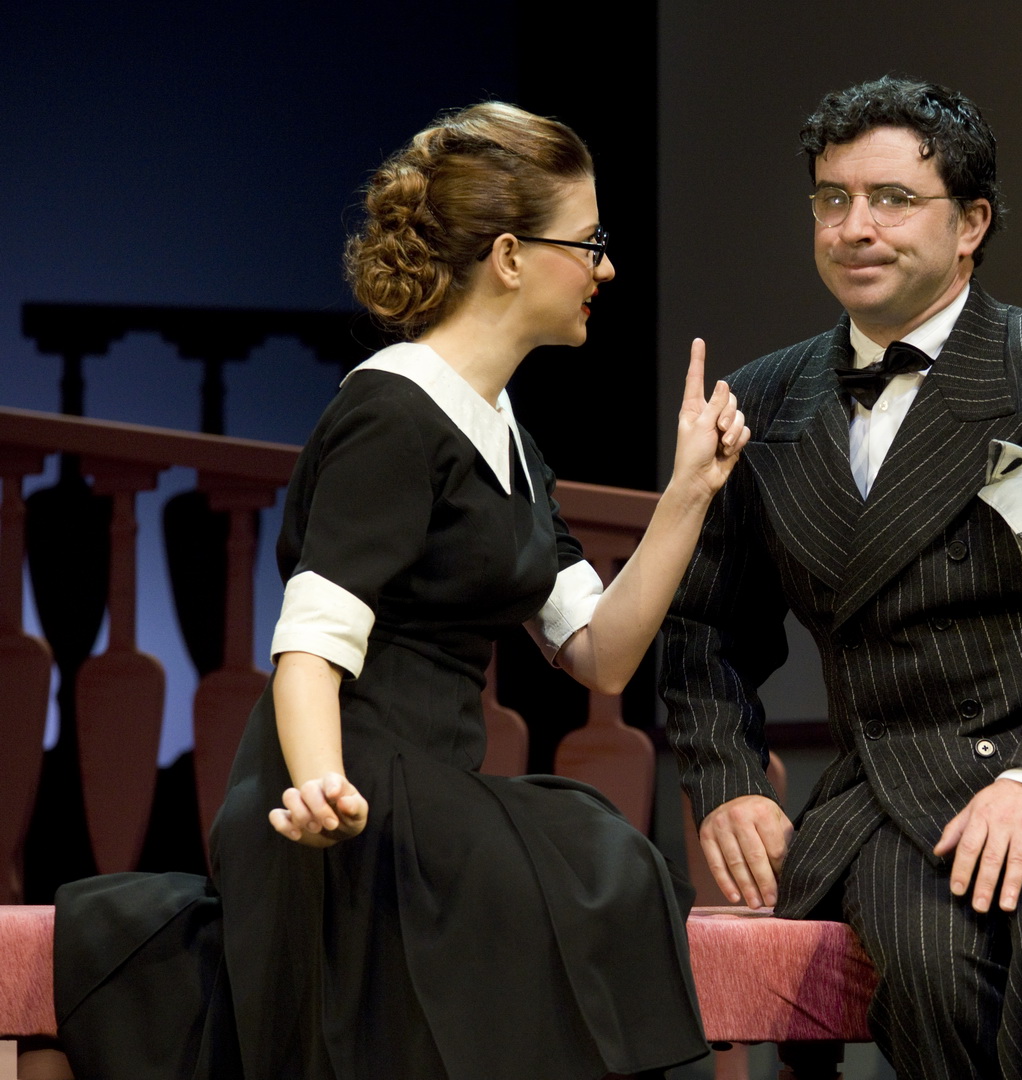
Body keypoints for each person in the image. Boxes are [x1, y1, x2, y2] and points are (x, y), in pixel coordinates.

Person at [54, 102, 746, 1080]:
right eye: (589, 243)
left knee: (606, 862)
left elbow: (601, 652)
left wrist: (687, 496)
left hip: (431, 796)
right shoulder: (393, 412)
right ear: (510, 256)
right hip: (346, 794)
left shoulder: (502, 432)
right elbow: (309, 643)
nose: (606, 269)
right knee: (585, 868)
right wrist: (319, 784)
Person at [661, 77, 1022, 1080]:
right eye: (833, 199)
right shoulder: (765, 399)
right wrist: (729, 782)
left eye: (891, 199)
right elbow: (703, 633)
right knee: (927, 968)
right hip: (901, 783)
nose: (855, 227)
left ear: (971, 224)